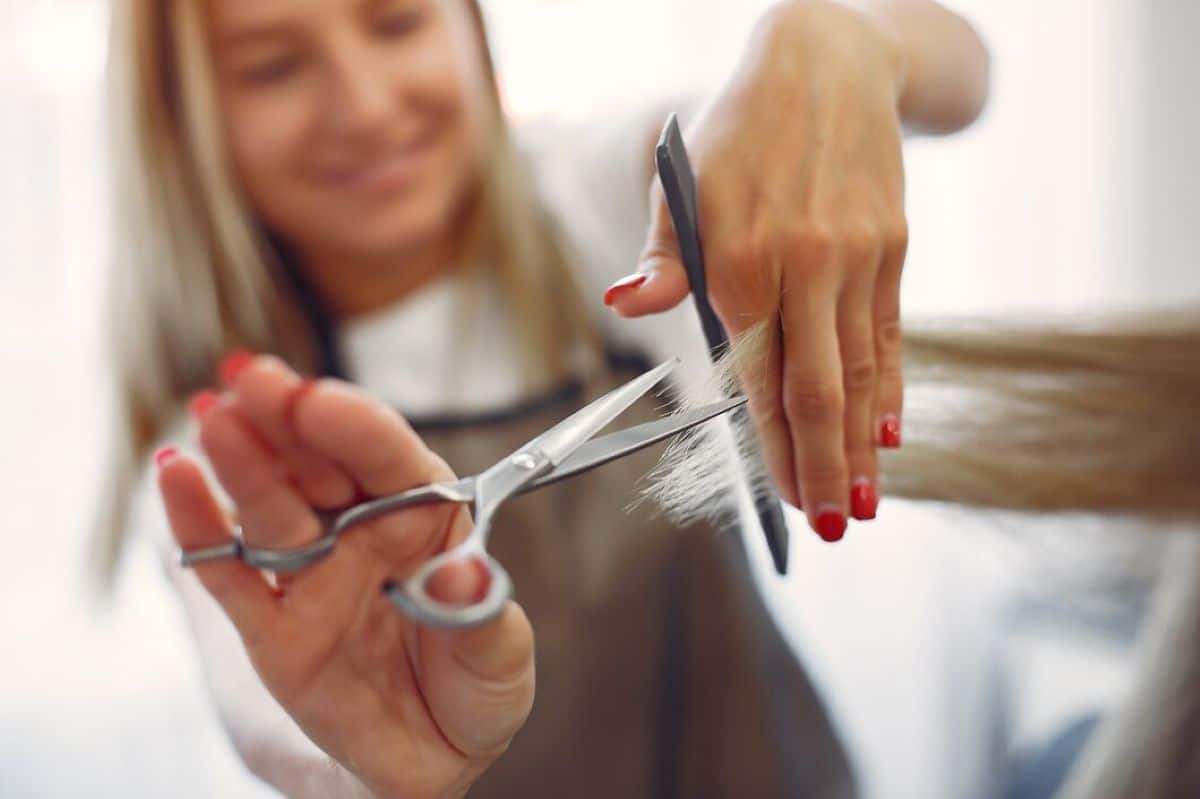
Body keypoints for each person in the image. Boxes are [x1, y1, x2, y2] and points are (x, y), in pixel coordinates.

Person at [93, 0, 990, 795]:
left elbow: (965, 71)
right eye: (273, 67)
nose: (364, 106)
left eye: (398, 21)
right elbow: (262, 703)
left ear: (471, 27)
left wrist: (837, 40)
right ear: (187, 118)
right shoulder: (224, 449)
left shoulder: (606, 206)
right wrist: (351, 769)